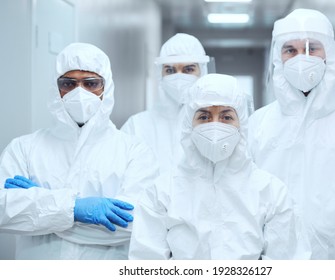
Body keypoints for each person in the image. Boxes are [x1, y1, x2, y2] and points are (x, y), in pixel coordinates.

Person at [248, 9, 335, 259]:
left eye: (312, 48)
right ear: (278, 57)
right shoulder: (258, 125)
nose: (301, 58)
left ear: (330, 54)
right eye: (290, 50)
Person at [0, 43, 158, 259]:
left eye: (91, 83)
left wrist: (41, 204)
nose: (79, 92)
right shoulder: (24, 148)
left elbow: (135, 225)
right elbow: (3, 213)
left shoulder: (134, 151)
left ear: (107, 87)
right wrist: (73, 208)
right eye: (68, 83)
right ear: (56, 88)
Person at [128, 73, 310, 260]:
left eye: (226, 117)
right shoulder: (162, 192)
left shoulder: (271, 192)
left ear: (242, 124)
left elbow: (288, 262)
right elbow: (146, 262)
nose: (215, 127)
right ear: (188, 125)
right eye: (204, 116)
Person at [121, 33, 210, 173]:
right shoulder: (137, 126)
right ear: (160, 74)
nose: (179, 77)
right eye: (170, 70)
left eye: (188, 69)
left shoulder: (214, 126)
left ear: (202, 72)